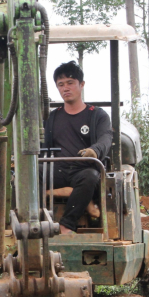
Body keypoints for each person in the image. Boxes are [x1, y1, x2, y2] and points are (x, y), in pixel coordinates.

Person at [43, 61, 112, 234]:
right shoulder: (53, 117)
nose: (65, 88)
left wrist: (94, 150)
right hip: (57, 171)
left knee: (90, 177)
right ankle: (32, 223)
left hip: (83, 171)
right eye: (61, 84)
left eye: (70, 83)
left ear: (81, 85)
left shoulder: (97, 115)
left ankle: (66, 225)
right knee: (26, 177)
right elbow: (45, 145)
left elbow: (106, 138)